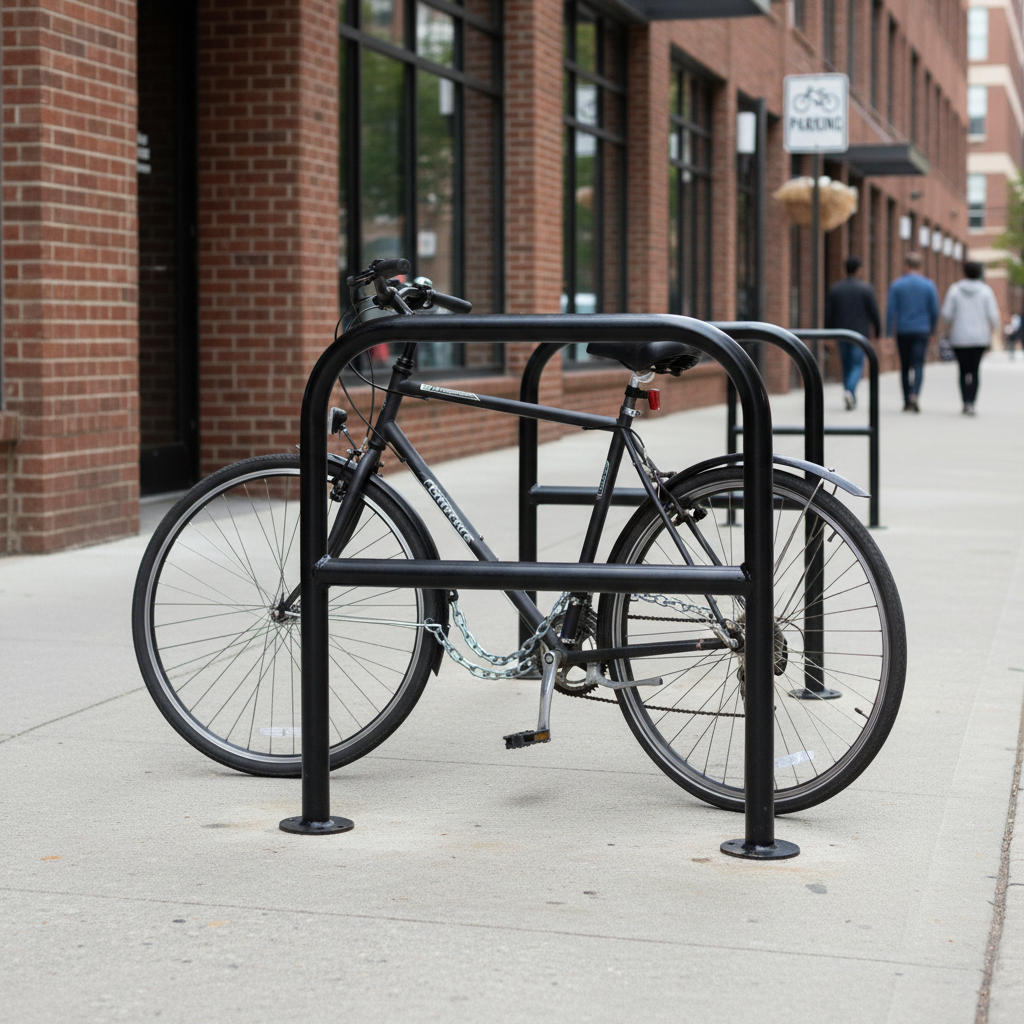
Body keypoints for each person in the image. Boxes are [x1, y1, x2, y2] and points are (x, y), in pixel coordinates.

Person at [940, 261, 999, 415]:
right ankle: (972, 402)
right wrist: (995, 330)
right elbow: (993, 314)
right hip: (980, 338)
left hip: (960, 337)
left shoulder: (955, 290)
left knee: (962, 370)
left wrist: (951, 323)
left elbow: (946, 314)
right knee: (975, 371)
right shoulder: (986, 291)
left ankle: (965, 402)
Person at [825, 255, 881, 410]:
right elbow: (874, 312)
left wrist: (827, 334)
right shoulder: (866, 289)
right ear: (859, 270)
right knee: (857, 365)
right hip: (859, 334)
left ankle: (850, 394)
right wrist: (878, 331)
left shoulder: (836, 288)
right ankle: (850, 391)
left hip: (841, 333)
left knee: (846, 365)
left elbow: (828, 313)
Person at [886, 252, 939, 412]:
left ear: (905, 266)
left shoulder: (897, 285)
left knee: (904, 366)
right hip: (922, 330)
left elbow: (890, 311)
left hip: (903, 330)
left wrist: (888, 333)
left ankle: (906, 399)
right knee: (918, 365)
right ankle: (915, 394)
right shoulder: (929, 285)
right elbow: (935, 310)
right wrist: (933, 330)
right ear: (920, 266)